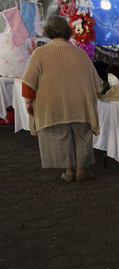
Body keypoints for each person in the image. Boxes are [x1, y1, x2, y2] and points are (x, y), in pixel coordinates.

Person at [22, 16, 102, 182]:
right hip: (80, 104)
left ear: (47, 32)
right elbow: (96, 82)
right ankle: (81, 172)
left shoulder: (39, 53)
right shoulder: (80, 53)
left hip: (52, 106)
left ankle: (69, 172)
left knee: (60, 137)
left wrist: (29, 103)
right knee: (82, 136)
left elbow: (28, 82)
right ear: (68, 31)